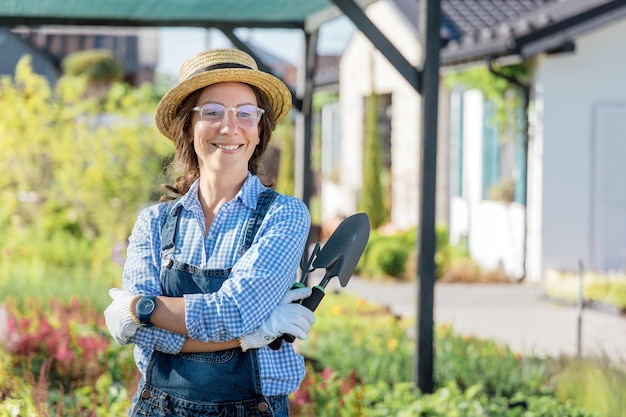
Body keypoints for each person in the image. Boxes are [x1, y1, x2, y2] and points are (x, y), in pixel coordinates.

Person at [104, 48, 315, 417]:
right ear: (188, 125)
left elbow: (232, 312)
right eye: (213, 112)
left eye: (245, 113)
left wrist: (141, 307)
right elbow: (143, 337)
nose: (230, 126)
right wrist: (248, 336)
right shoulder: (153, 224)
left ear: (259, 127)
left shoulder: (283, 215)